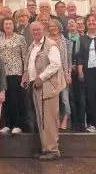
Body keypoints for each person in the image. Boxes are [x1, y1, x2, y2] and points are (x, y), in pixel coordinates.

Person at [22, 21, 65, 161]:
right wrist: (26, 76)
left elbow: (55, 65)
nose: (35, 32)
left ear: (44, 29)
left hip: (48, 88)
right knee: (42, 120)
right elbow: (30, 65)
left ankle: (53, 150)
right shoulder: (32, 46)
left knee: (50, 120)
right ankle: (46, 149)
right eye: (33, 30)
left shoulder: (51, 45)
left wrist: (41, 77)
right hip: (36, 87)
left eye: (38, 30)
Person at [0, 17, 28, 135]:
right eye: (6, 24)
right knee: (5, 100)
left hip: (16, 72)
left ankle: (18, 125)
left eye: (10, 24)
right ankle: (7, 124)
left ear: (14, 25)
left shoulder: (20, 38)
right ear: (2, 26)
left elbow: (25, 57)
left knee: (16, 99)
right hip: (3, 74)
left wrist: (25, 73)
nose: (8, 26)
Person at [48, 19, 72, 131]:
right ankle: (55, 119)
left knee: (64, 98)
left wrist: (69, 74)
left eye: (55, 26)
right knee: (53, 99)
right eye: (51, 26)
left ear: (59, 28)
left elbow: (69, 59)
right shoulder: (46, 41)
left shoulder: (66, 41)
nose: (53, 28)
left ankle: (65, 120)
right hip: (50, 74)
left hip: (63, 73)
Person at [67, 18, 86, 132]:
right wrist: (69, 66)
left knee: (81, 98)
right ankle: (74, 123)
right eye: (69, 23)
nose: (71, 24)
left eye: (73, 23)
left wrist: (78, 66)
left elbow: (83, 54)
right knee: (71, 97)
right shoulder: (65, 37)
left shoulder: (83, 38)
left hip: (80, 69)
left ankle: (82, 122)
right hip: (68, 71)